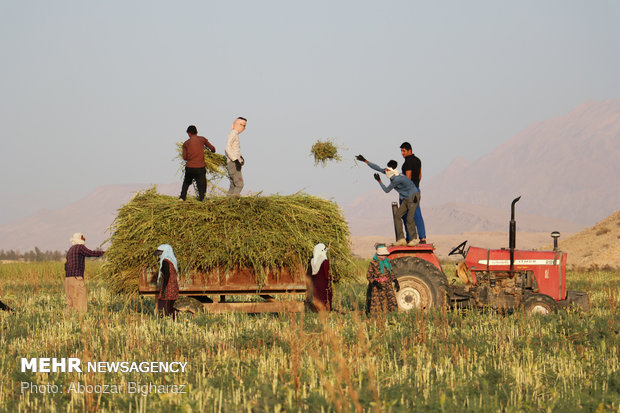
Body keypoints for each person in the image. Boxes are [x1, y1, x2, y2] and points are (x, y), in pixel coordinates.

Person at [356, 155, 420, 246]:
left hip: (413, 197)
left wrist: (379, 181)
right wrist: (365, 161)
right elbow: (378, 168)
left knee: (409, 219)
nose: (386, 170)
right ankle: (401, 239)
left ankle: (414, 239)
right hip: (406, 198)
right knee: (398, 216)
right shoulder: (391, 172)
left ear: (392, 170)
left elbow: (386, 190)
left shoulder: (397, 179)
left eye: (388, 169)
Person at [64, 233, 105, 312]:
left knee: (70, 302)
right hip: (76, 278)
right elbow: (90, 253)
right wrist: (103, 253)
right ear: (79, 239)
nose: (84, 239)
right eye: (82, 238)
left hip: (68, 279)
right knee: (81, 300)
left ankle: (68, 319)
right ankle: (81, 320)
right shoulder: (80, 247)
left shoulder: (70, 250)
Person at [179, 125, 216, 201]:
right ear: (197, 132)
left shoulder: (186, 143)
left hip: (189, 167)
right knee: (202, 183)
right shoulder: (202, 139)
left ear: (189, 134)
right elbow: (213, 149)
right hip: (200, 167)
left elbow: (184, 157)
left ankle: (182, 198)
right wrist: (210, 152)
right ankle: (202, 198)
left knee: (186, 182)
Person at [400, 142, 427, 244]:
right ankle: (422, 237)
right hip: (416, 189)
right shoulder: (418, 160)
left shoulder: (408, 162)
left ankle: (410, 237)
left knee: (405, 214)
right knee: (417, 213)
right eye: (401, 151)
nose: (402, 153)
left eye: (403, 151)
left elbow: (408, 178)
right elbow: (419, 175)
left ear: (409, 150)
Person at [365, 244, 398, 315]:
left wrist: (395, 280)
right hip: (377, 287)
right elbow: (369, 276)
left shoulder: (387, 262)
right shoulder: (373, 263)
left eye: (385, 255)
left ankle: (390, 316)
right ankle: (377, 318)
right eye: (383, 255)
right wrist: (375, 282)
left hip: (387, 285)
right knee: (377, 304)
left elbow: (391, 273)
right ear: (379, 255)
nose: (384, 257)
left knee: (391, 302)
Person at [154, 244, 179, 319]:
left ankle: (169, 320)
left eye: (160, 252)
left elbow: (167, 275)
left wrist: (164, 290)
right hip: (173, 286)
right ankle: (175, 319)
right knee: (169, 306)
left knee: (165, 307)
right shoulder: (172, 261)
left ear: (165, 252)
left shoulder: (165, 261)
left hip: (168, 287)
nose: (159, 255)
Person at [225, 117, 247, 196]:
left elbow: (234, 150)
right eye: (241, 124)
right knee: (239, 184)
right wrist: (236, 160)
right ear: (234, 124)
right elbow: (227, 148)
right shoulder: (233, 134)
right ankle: (233, 202)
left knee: (233, 184)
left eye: (244, 125)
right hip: (233, 163)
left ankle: (227, 202)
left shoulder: (235, 135)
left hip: (232, 162)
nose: (243, 127)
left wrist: (240, 158)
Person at [307, 243, 332, 311]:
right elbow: (327, 275)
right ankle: (326, 310)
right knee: (325, 297)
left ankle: (316, 309)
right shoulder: (325, 261)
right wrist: (332, 279)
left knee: (317, 297)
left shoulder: (313, 261)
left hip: (316, 284)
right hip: (324, 284)